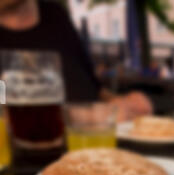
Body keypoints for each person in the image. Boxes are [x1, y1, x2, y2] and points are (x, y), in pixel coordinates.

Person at [0, 0, 152, 117]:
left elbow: (93, 88)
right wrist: (86, 118)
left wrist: (121, 102)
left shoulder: (55, 16)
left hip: (99, 148)